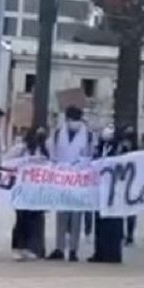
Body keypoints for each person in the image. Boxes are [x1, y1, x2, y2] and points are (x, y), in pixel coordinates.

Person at [47, 106, 93, 262]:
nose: (74, 123)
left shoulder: (88, 135)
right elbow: (53, 154)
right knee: (61, 214)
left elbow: (91, 156)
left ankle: (73, 249)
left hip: (79, 180)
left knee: (76, 216)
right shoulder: (58, 133)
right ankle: (59, 248)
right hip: (62, 178)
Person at [4, 127, 50, 261]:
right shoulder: (20, 149)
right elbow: (7, 161)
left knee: (36, 219)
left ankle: (35, 248)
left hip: (38, 190)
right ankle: (19, 247)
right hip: (22, 189)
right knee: (22, 218)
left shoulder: (45, 150)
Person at [89, 125, 134, 263]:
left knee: (114, 223)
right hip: (101, 189)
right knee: (100, 221)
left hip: (116, 191)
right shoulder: (100, 148)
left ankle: (113, 253)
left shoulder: (121, 148)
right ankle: (100, 252)